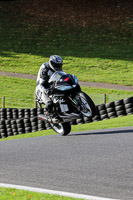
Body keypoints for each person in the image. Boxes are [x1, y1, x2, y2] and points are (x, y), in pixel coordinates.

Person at [36, 55, 63, 122]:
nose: (58, 67)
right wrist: (46, 91)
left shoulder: (58, 70)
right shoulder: (45, 69)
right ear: (52, 63)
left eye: (59, 65)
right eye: (56, 65)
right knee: (49, 102)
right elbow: (41, 84)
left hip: (51, 87)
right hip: (41, 89)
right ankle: (49, 114)